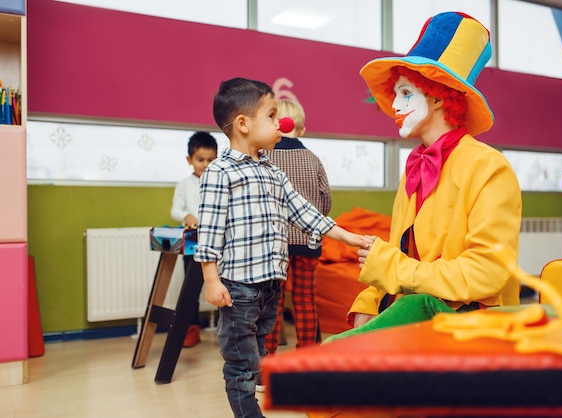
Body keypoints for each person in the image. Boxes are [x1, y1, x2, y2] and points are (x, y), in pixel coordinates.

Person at [329, 11, 522, 344]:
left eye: (405, 93)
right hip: (415, 311)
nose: (396, 106)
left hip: (471, 321)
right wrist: (371, 300)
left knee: (408, 311)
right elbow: (398, 253)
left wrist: (394, 271)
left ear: (437, 95)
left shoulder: (489, 167)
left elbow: (486, 272)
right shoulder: (415, 169)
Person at [194, 77, 369, 418]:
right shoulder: (220, 172)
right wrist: (211, 280)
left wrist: (346, 236)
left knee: (259, 349)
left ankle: (269, 382)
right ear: (243, 124)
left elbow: (304, 211)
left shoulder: (272, 171)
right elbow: (210, 230)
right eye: (272, 116)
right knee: (241, 364)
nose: (281, 124)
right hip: (239, 288)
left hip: (271, 286)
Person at [264, 99, 331, 354]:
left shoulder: (264, 157)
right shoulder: (312, 159)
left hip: (274, 243)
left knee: (273, 302)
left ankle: (267, 357)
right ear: (300, 130)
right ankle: (308, 355)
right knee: (305, 301)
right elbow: (326, 200)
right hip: (308, 240)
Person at [170, 131, 218, 347]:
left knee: (222, 284)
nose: (206, 164)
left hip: (217, 243)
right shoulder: (184, 185)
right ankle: (191, 329)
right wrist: (186, 216)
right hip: (192, 243)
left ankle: (224, 328)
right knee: (190, 289)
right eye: (200, 160)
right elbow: (175, 210)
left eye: (211, 160)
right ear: (190, 160)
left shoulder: (219, 182)